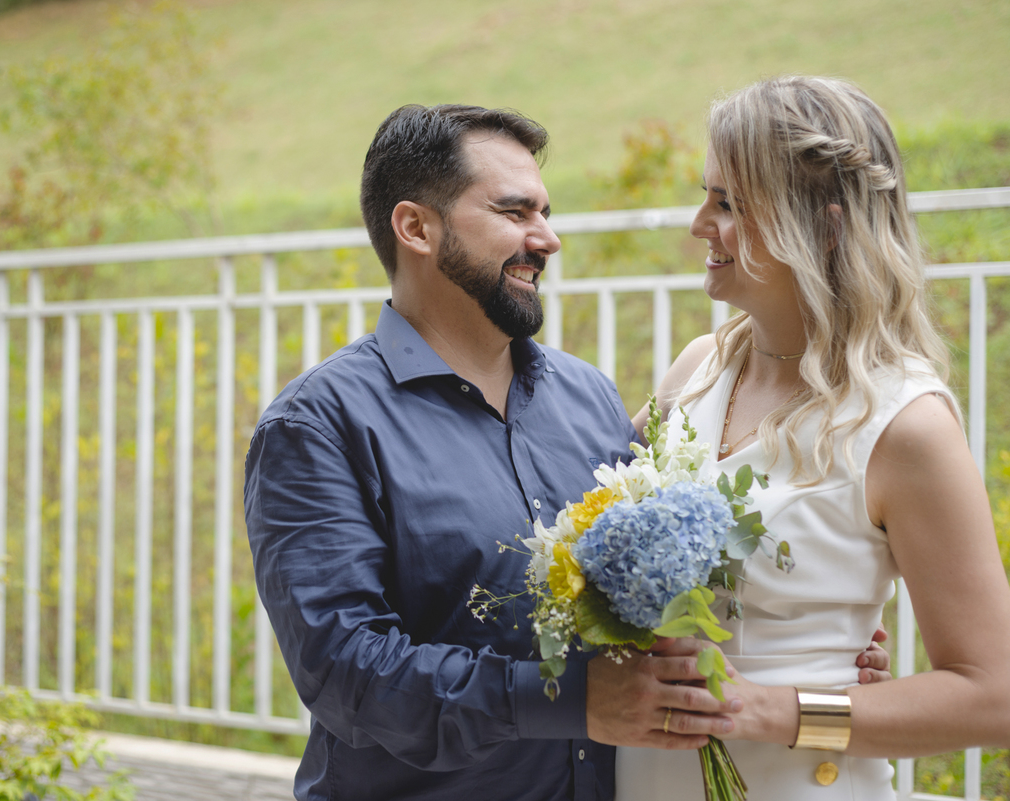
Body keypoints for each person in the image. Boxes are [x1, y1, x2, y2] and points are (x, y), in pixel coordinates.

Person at [244, 103, 889, 801]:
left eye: (546, 213)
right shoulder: (318, 426)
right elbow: (346, 673)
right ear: (416, 228)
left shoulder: (591, 399)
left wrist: (806, 635)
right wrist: (573, 702)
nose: (547, 239)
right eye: (514, 212)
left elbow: (660, 571)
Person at [614, 76, 1010, 800]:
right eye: (707, 197)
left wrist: (770, 709)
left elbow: (993, 695)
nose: (699, 223)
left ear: (823, 226)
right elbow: (589, 539)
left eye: (729, 203)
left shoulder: (904, 425)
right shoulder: (694, 372)